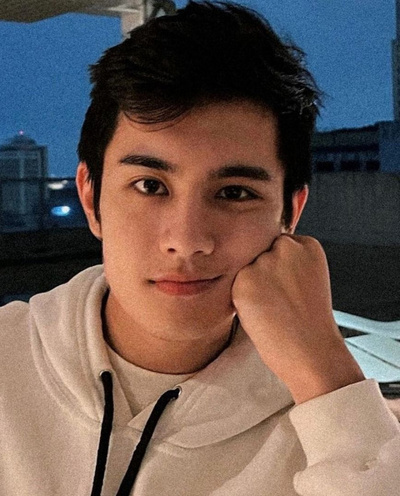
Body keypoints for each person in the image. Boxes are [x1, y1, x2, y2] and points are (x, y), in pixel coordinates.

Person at [1, 2, 399, 495]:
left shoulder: (333, 424)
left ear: (290, 214)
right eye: (150, 185)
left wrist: (327, 378)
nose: (187, 241)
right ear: (90, 197)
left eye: (234, 193)